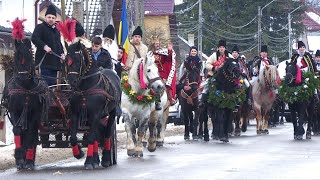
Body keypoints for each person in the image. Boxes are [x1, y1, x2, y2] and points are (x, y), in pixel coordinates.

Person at [32, 4, 65, 86]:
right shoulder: (40, 27)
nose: (51, 19)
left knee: (52, 87)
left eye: (53, 18)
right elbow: (34, 38)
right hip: (44, 64)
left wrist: (62, 53)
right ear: (46, 17)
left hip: (55, 64)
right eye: (49, 17)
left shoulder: (56, 31)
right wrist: (44, 46)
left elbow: (59, 44)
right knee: (45, 87)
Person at [149, 38, 177, 110]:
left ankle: (170, 99)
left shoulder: (163, 53)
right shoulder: (149, 54)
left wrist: (170, 50)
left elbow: (169, 59)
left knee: (165, 84)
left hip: (161, 73)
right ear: (153, 45)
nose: (157, 45)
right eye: (156, 44)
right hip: (152, 73)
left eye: (158, 43)